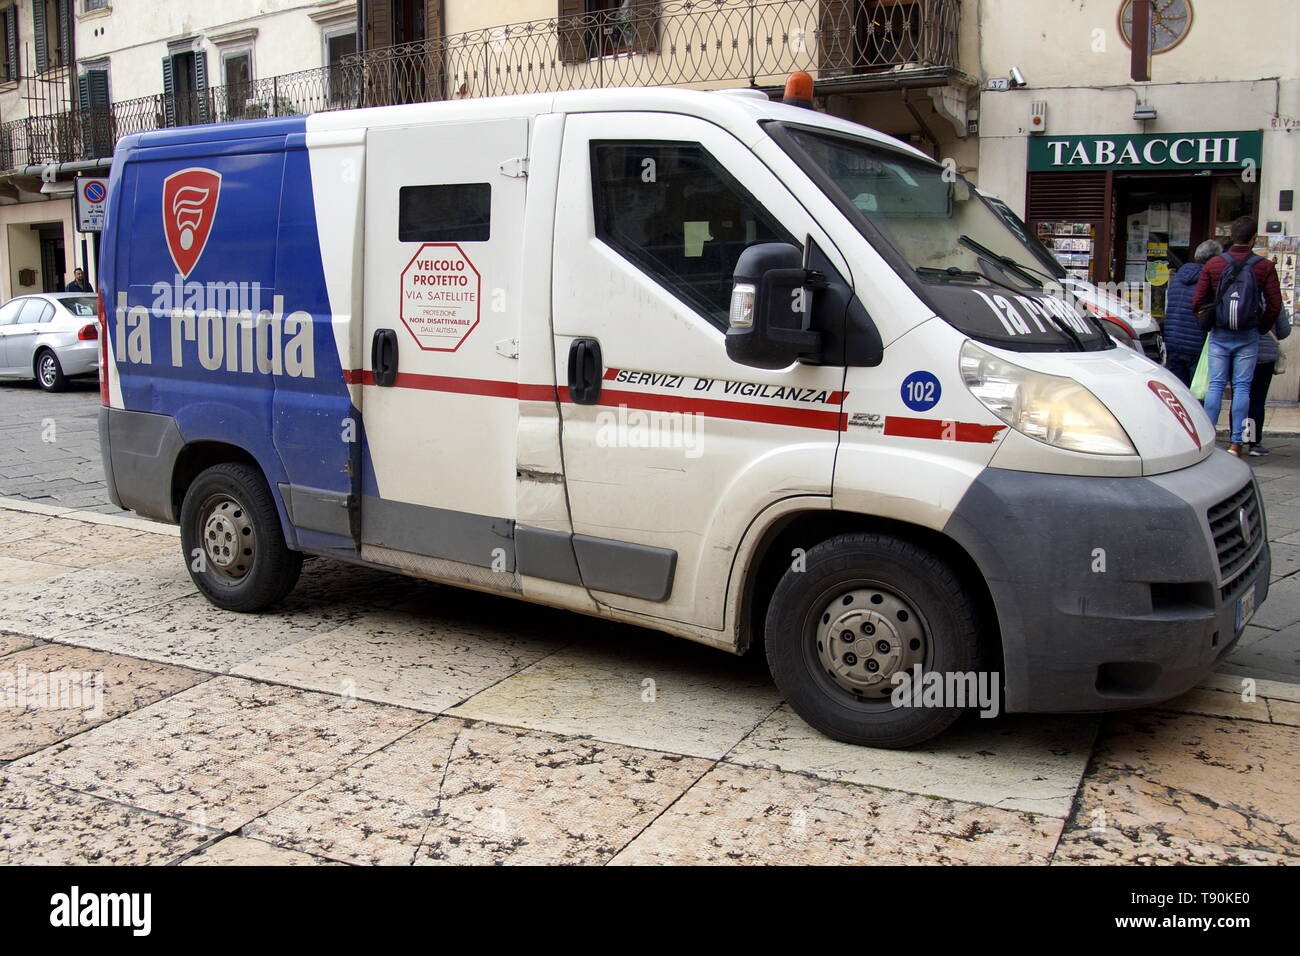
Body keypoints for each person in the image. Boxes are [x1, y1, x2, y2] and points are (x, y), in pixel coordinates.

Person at [1192, 217, 1283, 456]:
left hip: (1220, 334)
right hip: (1248, 335)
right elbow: (1275, 305)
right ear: (1254, 238)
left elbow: (1198, 300)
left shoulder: (1213, 265)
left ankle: (1209, 436)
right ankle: (1236, 443)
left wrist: (1209, 321)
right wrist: (1260, 328)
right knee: (1243, 388)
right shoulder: (1264, 267)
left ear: (1231, 236)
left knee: (1216, 385)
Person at [1162, 239, 1221, 386]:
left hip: (1173, 340)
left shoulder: (1178, 277)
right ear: (1213, 260)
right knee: (1198, 393)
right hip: (1196, 343)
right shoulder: (1208, 280)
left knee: (1179, 392)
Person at [1246, 308, 1291, 457]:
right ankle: (1254, 443)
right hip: (1265, 356)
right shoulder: (1272, 296)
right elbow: (1284, 331)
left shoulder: (1240, 288)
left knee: (1241, 396)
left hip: (1242, 352)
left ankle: (1238, 440)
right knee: (1258, 400)